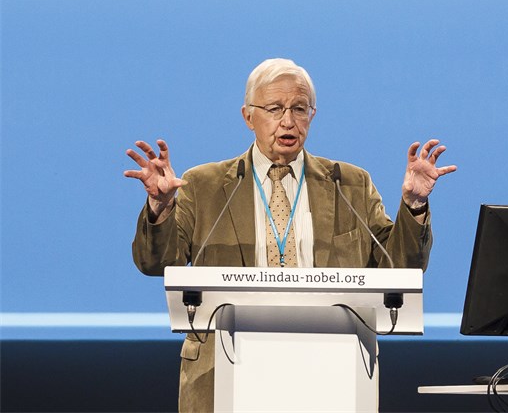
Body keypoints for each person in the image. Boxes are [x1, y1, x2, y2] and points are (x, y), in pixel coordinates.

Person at [124, 57, 456, 412]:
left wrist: (414, 206)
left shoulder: (349, 183)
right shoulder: (203, 185)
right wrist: (159, 208)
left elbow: (400, 269)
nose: (288, 121)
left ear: (312, 115)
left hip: (332, 370)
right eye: (274, 108)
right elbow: (156, 263)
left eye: (299, 108)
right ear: (248, 116)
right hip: (224, 369)